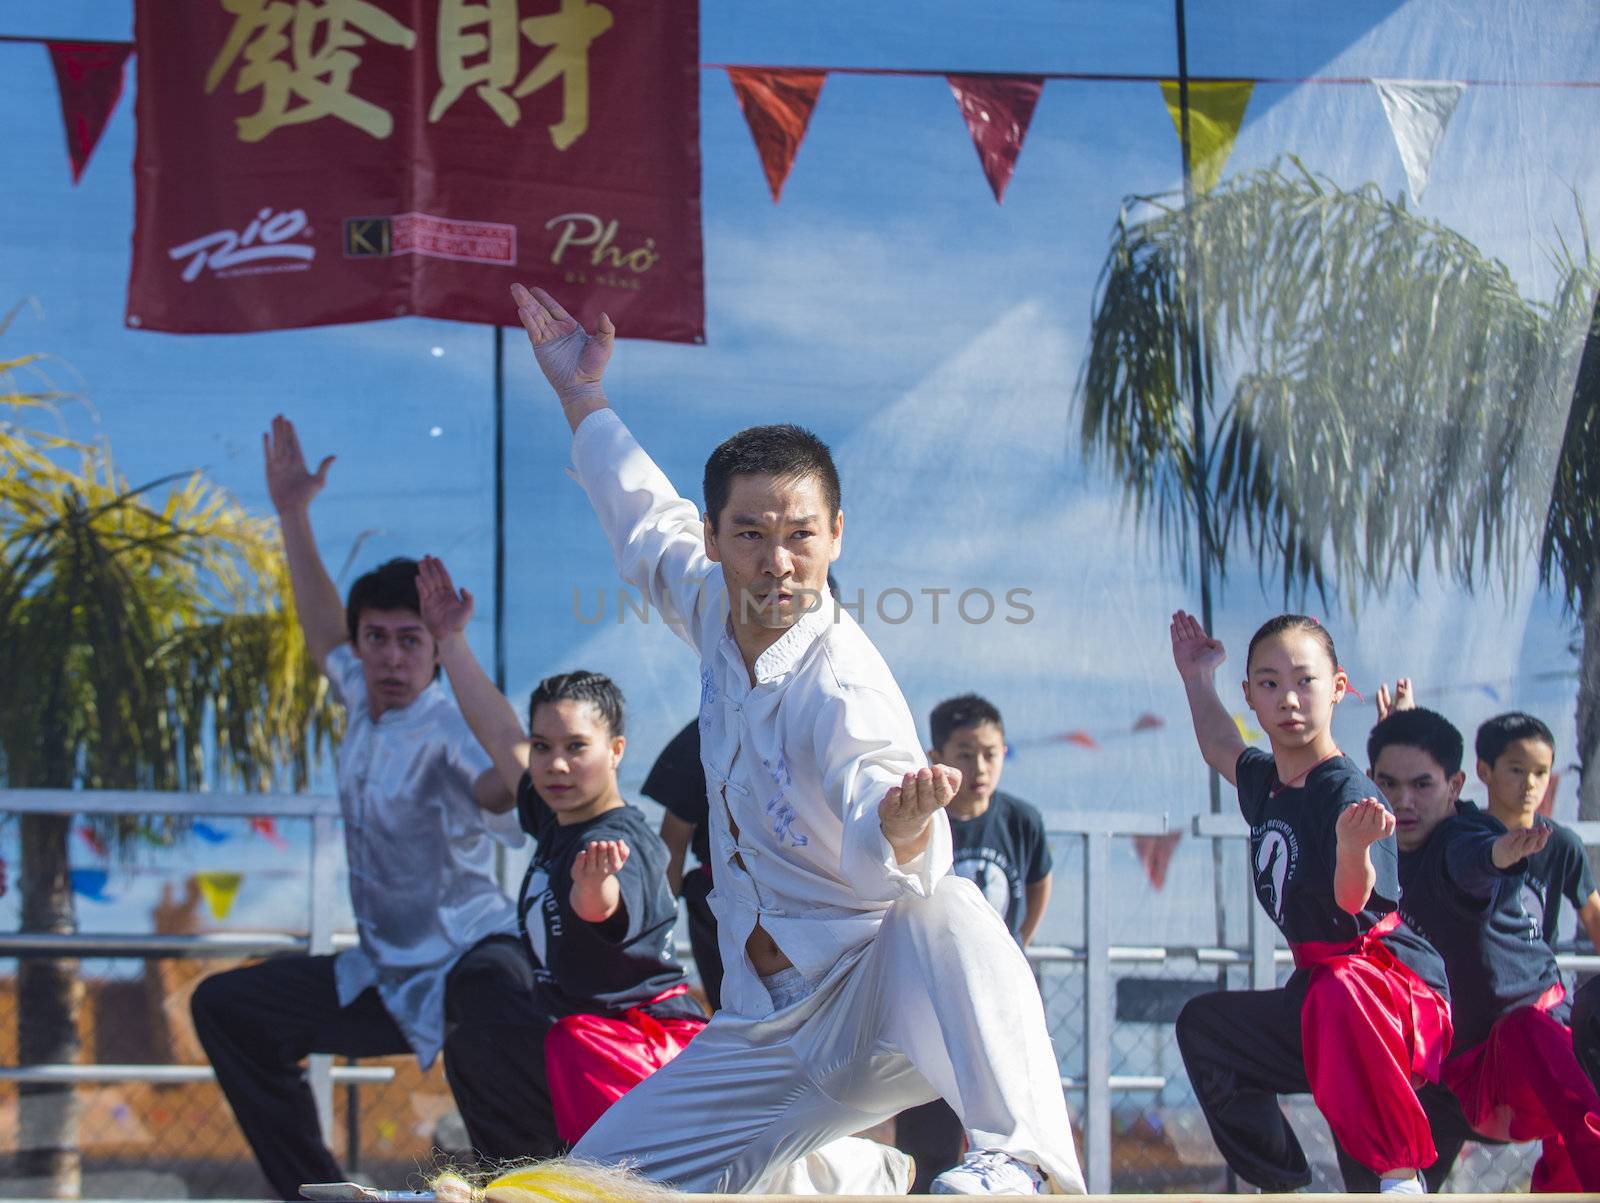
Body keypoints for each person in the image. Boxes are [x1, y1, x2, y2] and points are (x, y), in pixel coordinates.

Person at [508, 283, 1085, 1195]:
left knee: (949, 906)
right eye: (752, 533)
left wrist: (898, 828)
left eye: (801, 535)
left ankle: (1020, 1160)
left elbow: (879, 819)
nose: (777, 560)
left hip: (870, 1003)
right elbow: (643, 524)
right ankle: (853, 1173)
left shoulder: (843, 681)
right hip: (760, 1029)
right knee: (596, 1181)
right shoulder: (709, 601)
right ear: (718, 536)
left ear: (836, 536)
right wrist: (583, 397)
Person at [191, 417, 524, 1199]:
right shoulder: (359, 696)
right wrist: (293, 512)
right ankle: (316, 1192)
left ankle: (526, 1187)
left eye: (412, 640)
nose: (391, 657)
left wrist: (529, 773)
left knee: (503, 1007)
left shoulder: (448, 728)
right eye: (377, 638)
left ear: (437, 647)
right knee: (228, 1007)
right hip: (385, 968)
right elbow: (319, 628)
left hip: (470, 958)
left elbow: (502, 786)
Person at [413, 557, 706, 1160]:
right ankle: (527, 1177)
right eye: (544, 747)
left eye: (577, 747)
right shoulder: (556, 813)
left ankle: (538, 1181)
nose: (556, 764)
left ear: (616, 750)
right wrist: (449, 641)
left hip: (641, 1056)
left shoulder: (623, 839)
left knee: (489, 1040)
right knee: (483, 1011)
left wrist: (591, 895)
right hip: (585, 1045)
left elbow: (609, 911)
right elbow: (498, 731)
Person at [1167, 611, 1452, 1195]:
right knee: (1206, 1027)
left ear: (1339, 688)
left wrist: (1353, 848)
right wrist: (1196, 677)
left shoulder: (1346, 790)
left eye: (1305, 681)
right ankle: (1286, 1186)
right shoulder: (1268, 782)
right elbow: (1222, 745)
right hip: (1323, 995)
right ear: (1249, 695)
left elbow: (1354, 903)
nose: (1288, 699)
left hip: (1389, 994)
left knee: (1337, 988)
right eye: (1269, 684)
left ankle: (1398, 1178)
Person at [1363, 707, 1600, 1192]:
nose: (1403, 802)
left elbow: (1470, 861)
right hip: (1463, 1072)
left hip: (1538, 1040)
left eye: (1422, 786)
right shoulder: (1372, 847)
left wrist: (1499, 856)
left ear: (1455, 787)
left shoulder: (1466, 836)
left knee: (1530, 1036)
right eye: (1389, 784)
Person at [896, 693, 1054, 1191]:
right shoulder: (924, 821)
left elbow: (1037, 881)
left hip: (1000, 996)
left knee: (1008, 1113)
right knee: (931, 1129)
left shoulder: (1020, 820)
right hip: (934, 997)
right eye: (965, 754)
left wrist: (1020, 940)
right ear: (935, 756)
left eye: (991, 752)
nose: (980, 767)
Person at [1475, 713, 1600, 957]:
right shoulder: (1460, 833)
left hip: (1538, 987)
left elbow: (1593, 915)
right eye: (1517, 770)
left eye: (1541, 772)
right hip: (1465, 985)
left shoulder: (1562, 844)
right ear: (1484, 771)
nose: (1530, 783)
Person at [644, 720, 724, 1010]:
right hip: (719, 903)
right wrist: (655, 936)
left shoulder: (812, 710)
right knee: (734, 1022)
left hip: (804, 901)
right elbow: (672, 843)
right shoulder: (714, 724)